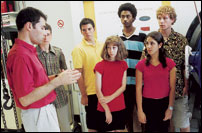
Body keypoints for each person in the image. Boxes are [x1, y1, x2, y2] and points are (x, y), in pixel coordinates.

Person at [6, 7, 81, 132]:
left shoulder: (29, 51)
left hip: (43, 111)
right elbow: (25, 99)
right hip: (38, 114)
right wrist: (57, 82)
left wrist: (59, 77)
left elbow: (37, 83)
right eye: (42, 28)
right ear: (29, 26)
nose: (44, 33)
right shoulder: (20, 55)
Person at [156, 5, 191, 132]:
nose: (161, 21)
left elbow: (185, 66)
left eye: (165, 18)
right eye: (159, 18)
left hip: (178, 88)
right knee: (167, 123)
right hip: (159, 90)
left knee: (183, 121)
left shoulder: (181, 39)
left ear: (172, 20)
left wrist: (186, 85)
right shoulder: (152, 39)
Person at [136, 31, 176, 132]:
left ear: (160, 45)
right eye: (147, 43)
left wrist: (170, 108)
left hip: (164, 104)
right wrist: (140, 111)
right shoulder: (141, 65)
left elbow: (172, 88)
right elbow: (138, 89)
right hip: (147, 104)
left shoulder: (170, 64)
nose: (148, 46)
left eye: (152, 43)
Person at [36, 23, 71, 132]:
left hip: (59, 96)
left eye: (48, 34)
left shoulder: (58, 52)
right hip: (42, 97)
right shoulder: (33, 54)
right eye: (43, 35)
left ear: (51, 35)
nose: (45, 37)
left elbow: (64, 70)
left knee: (65, 126)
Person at [117, 3, 146, 132]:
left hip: (141, 84)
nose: (125, 19)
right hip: (124, 85)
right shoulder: (117, 39)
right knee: (127, 116)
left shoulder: (143, 37)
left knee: (143, 115)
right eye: (122, 16)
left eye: (128, 16)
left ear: (133, 18)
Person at [71, 18, 104, 132]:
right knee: (93, 126)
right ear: (81, 31)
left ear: (94, 29)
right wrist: (84, 95)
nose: (87, 32)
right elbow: (78, 74)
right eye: (84, 30)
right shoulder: (78, 49)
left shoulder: (102, 45)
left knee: (106, 124)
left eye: (89, 29)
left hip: (105, 92)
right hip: (91, 93)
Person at [94, 36, 128, 132]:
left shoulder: (123, 64)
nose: (111, 50)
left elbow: (123, 87)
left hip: (119, 105)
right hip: (104, 107)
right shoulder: (99, 66)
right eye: (108, 47)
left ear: (119, 48)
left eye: (114, 48)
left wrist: (110, 97)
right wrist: (107, 110)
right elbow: (98, 90)